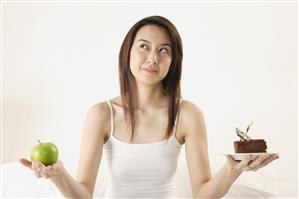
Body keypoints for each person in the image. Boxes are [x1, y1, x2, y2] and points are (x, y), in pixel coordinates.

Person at [20, 15, 279, 198]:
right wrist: (59, 175)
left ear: (173, 61)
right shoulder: (101, 114)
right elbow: (83, 194)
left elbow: (203, 194)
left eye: (164, 50)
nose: (152, 58)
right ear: (128, 52)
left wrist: (233, 169)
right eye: (144, 46)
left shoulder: (187, 114)